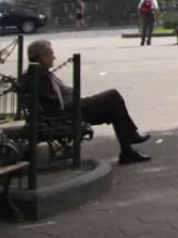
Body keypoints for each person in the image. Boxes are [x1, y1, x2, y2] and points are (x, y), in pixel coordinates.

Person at [21, 39, 151, 164]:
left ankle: (127, 151)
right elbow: (56, 105)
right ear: (42, 57)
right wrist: (75, 98)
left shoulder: (37, 73)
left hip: (70, 108)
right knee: (113, 96)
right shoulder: (39, 76)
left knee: (115, 109)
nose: (54, 57)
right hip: (69, 113)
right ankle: (131, 138)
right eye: (51, 53)